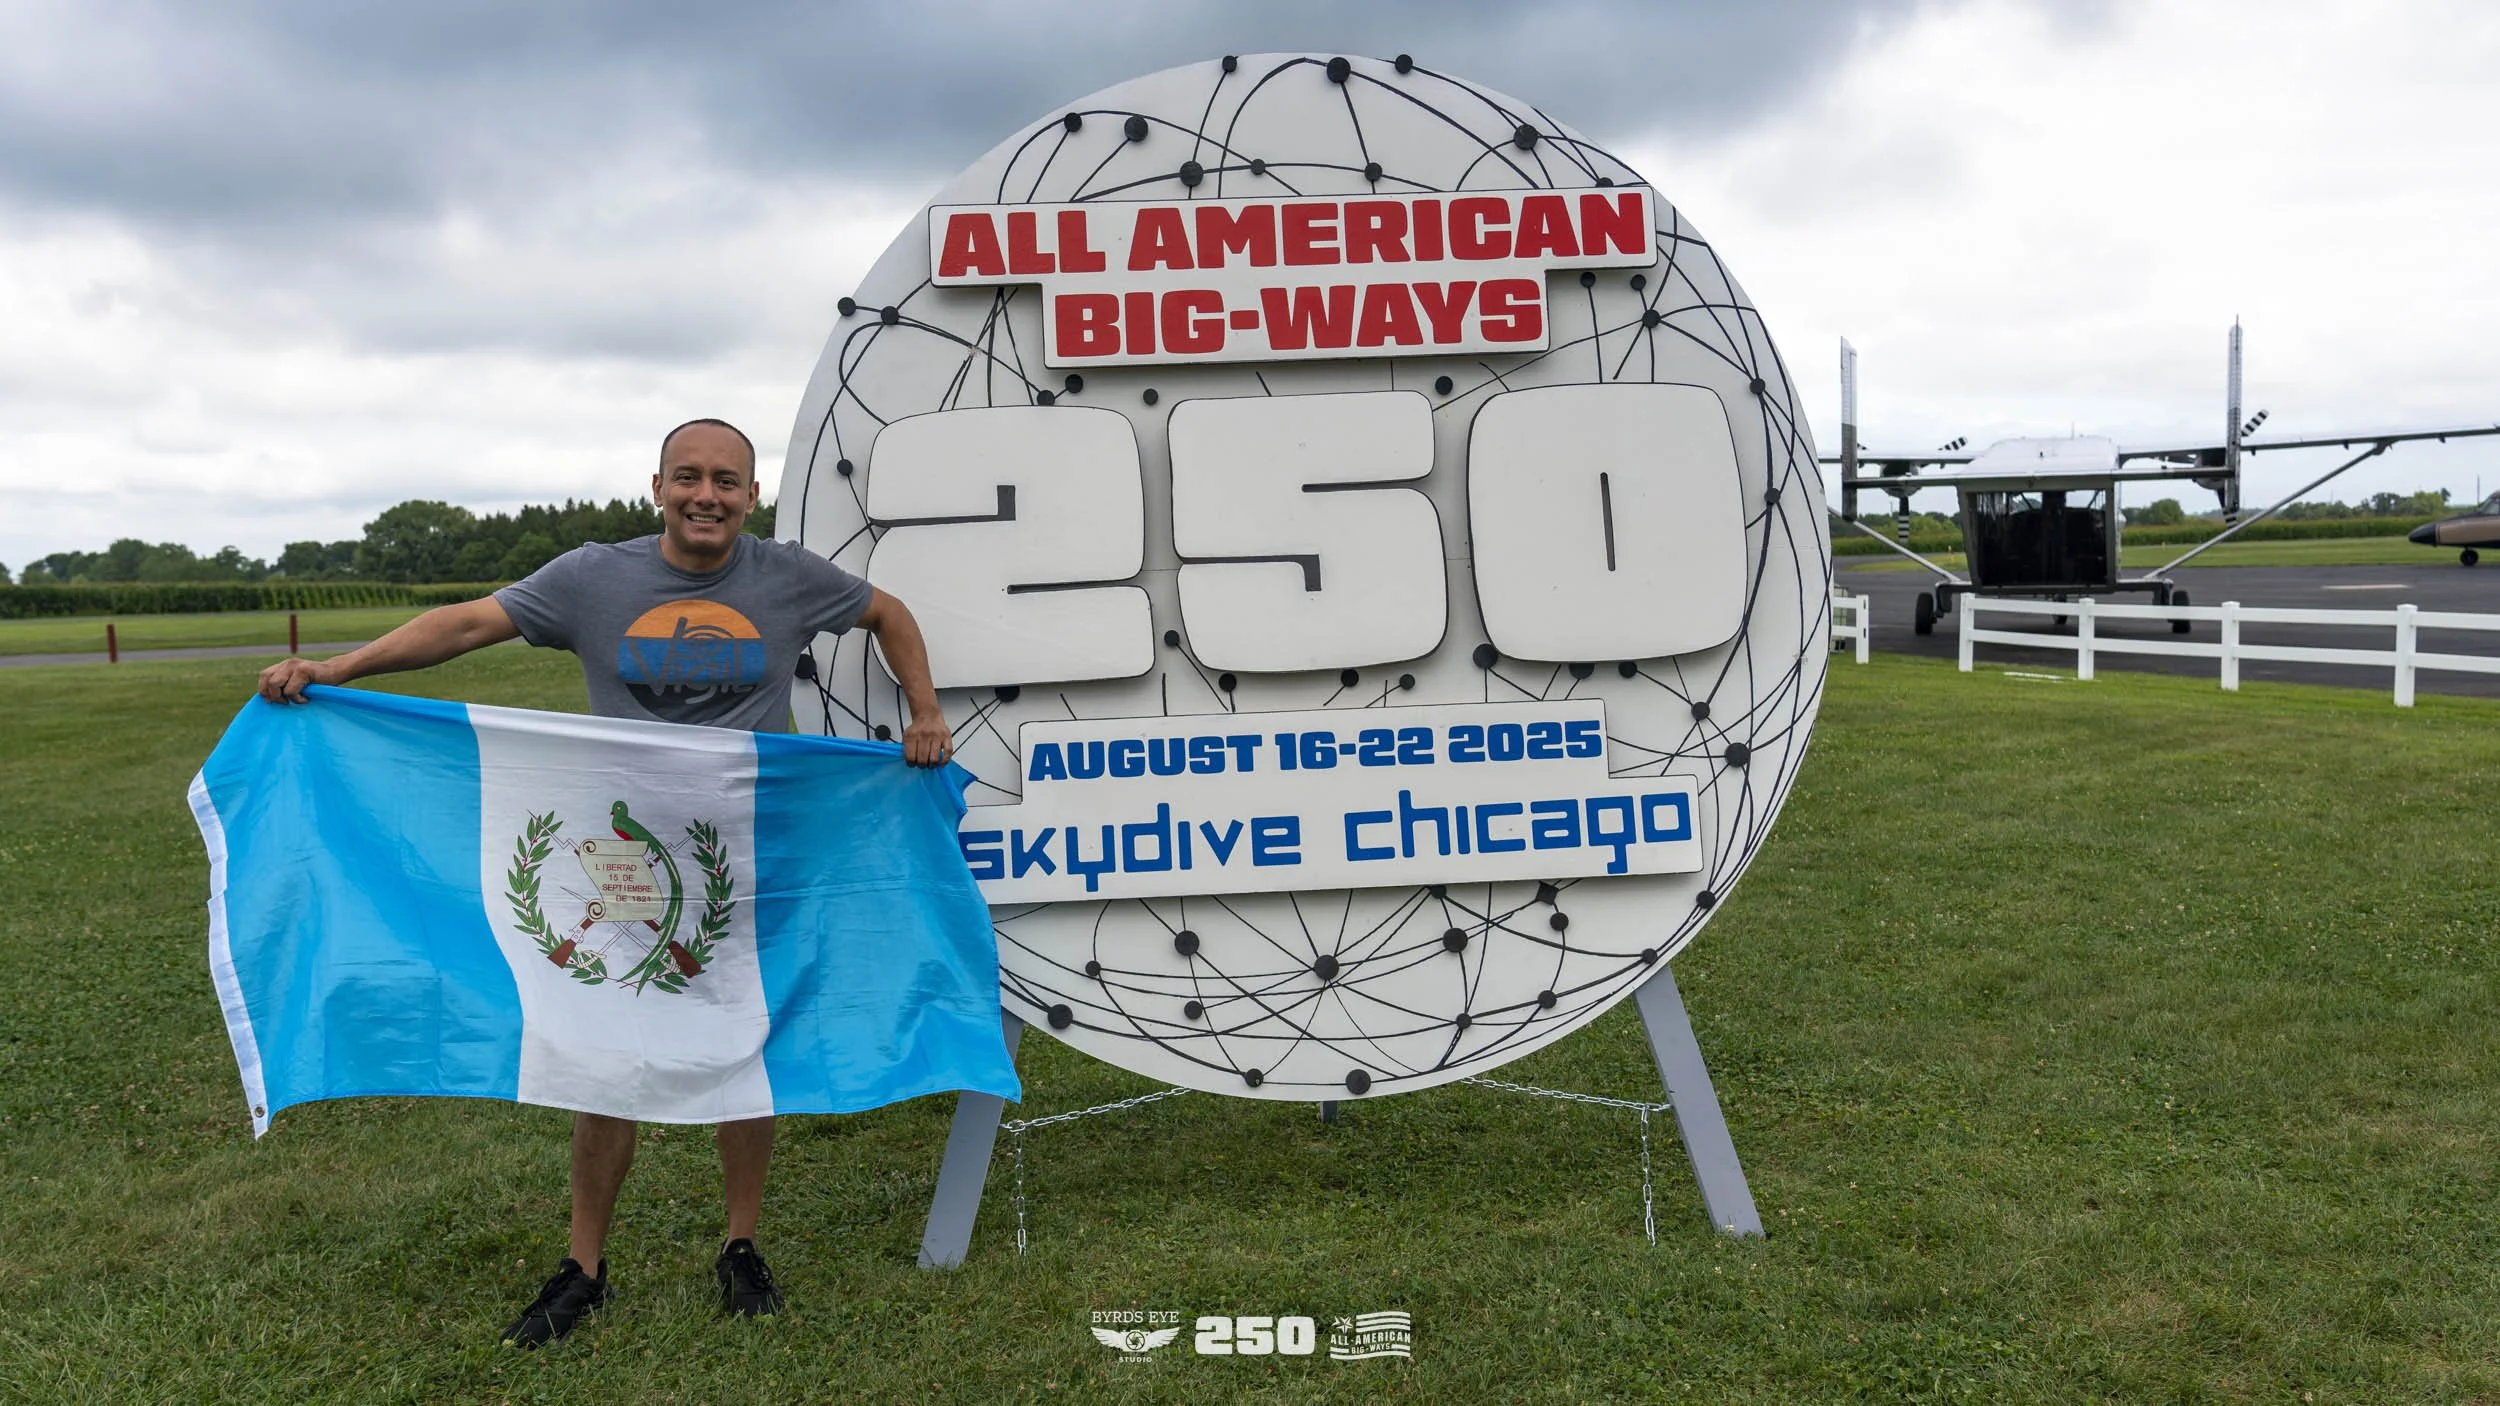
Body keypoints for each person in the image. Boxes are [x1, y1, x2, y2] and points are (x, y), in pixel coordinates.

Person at [256, 418, 950, 1347]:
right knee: (605, 1051)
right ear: (657, 487)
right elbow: (466, 624)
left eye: (728, 482)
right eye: (690, 478)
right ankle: (584, 1267)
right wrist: (339, 668)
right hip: (626, 858)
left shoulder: (789, 577)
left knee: (744, 1046)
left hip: (754, 854)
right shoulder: (593, 577)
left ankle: (740, 1247)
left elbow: (888, 615)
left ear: (752, 495)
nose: (709, 496)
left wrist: (927, 710)